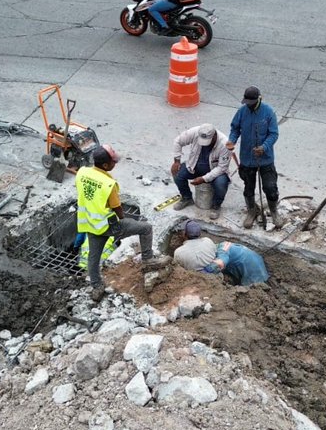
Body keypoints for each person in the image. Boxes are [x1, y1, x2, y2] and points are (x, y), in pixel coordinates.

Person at [76, 145, 171, 302]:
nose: (115, 164)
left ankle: (97, 286)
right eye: (113, 162)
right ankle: (148, 259)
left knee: (93, 257)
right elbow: (117, 208)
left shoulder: (82, 172)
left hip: (91, 224)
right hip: (108, 225)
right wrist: (123, 219)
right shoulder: (108, 184)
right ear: (106, 166)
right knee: (146, 228)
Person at [227, 86, 283, 230]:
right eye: (247, 102)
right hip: (247, 157)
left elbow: (273, 134)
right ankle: (252, 210)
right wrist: (232, 140)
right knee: (248, 188)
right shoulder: (242, 112)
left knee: (270, 187)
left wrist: (264, 147)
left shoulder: (268, 112)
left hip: (265, 158)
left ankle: (274, 211)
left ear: (258, 99)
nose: (248, 105)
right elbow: (235, 128)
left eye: (251, 102)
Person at [170, 122, 230, 219]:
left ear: (214, 136)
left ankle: (216, 205)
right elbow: (178, 141)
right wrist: (176, 161)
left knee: (221, 184)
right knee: (178, 174)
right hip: (194, 165)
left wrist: (204, 178)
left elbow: (222, 167)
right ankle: (187, 197)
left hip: (215, 171)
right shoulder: (195, 132)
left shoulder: (225, 143)